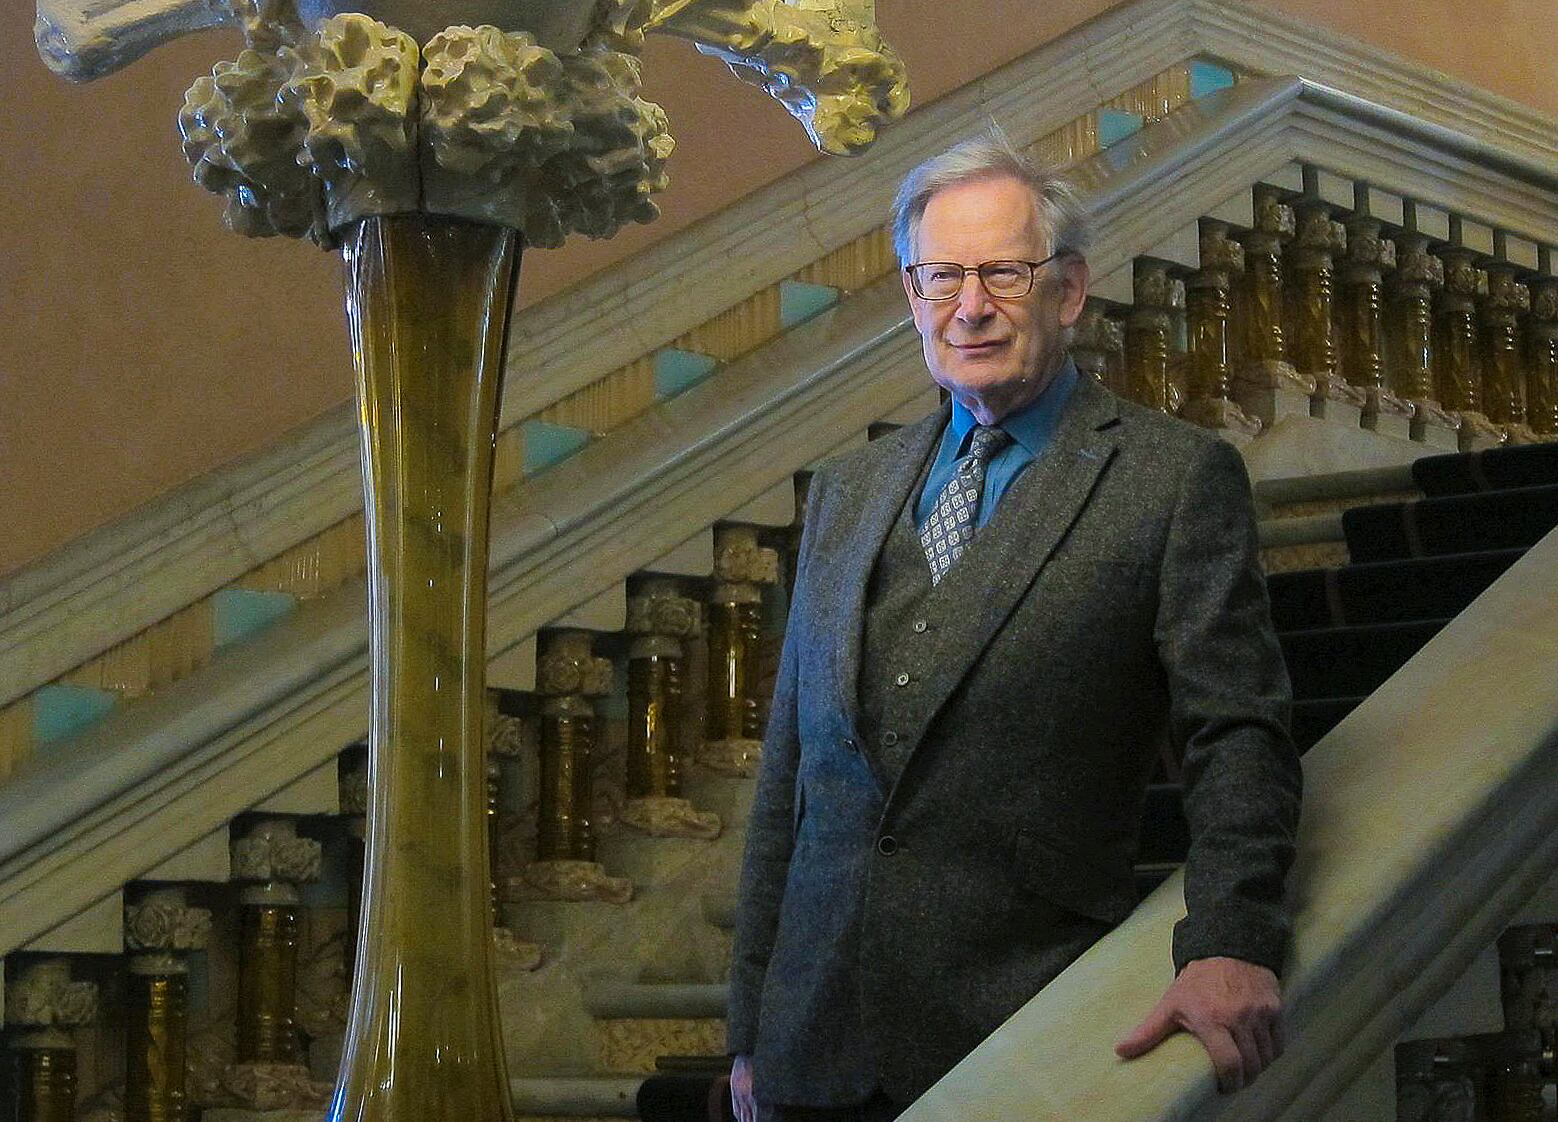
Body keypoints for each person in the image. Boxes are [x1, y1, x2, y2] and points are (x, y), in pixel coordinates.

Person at [725, 130, 1302, 1122]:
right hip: (808, 1056)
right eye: (940, 276)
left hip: (1022, 1037)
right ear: (912, 294)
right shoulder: (844, 492)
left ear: (1067, 291)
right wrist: (748, 1031)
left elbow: (1236, 732)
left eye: (1002, 272)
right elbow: (792, 776)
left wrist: (1231, 937)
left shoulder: (1169, 480)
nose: (970, 306)